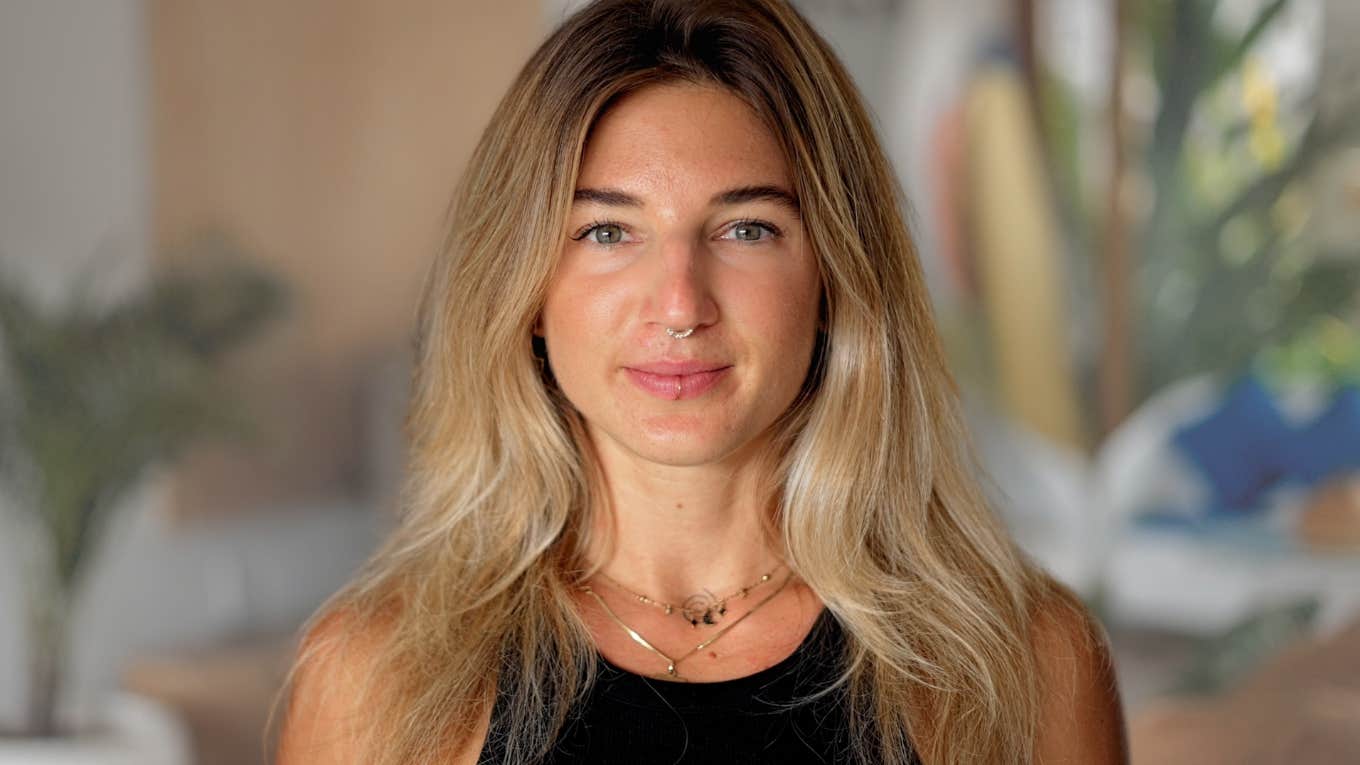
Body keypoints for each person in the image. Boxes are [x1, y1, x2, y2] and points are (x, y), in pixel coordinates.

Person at [274, 0, 1127, 763]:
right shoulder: (372, 678)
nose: (680, 304)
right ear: (524, 289)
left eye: (746, 228)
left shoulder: (1027, 665)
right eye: (607, 232)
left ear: (833, 278)